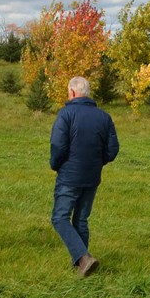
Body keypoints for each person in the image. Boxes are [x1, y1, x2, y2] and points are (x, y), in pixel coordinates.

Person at [50, 76, 119, 277]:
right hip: (92, 176)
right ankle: (82, 264)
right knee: (80, 219)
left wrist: (56, 164)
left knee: (59, 218)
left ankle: (83, 257)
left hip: (69, 176)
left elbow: (58, 145)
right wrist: (99, 162)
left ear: (71, 92)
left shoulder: (66, 114)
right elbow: (112, 148)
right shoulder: (104, 117)